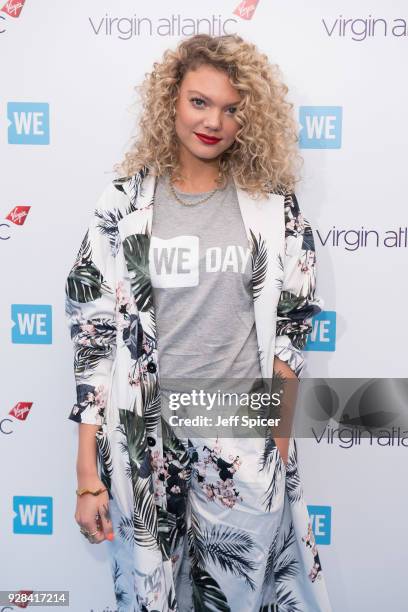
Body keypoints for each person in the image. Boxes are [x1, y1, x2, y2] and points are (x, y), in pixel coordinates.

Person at [65, 33, 332, 612]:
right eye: (199, 101)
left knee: (236, 597)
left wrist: (278, 435)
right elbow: (94, 337)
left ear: (249, 119)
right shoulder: (123, 204)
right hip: (144, 435)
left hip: (240, 432)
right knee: (151, 598)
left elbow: (293, 323)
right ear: (172, 104)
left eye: (232, 108)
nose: (213, 121)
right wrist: (87, 472)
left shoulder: (273, 205)